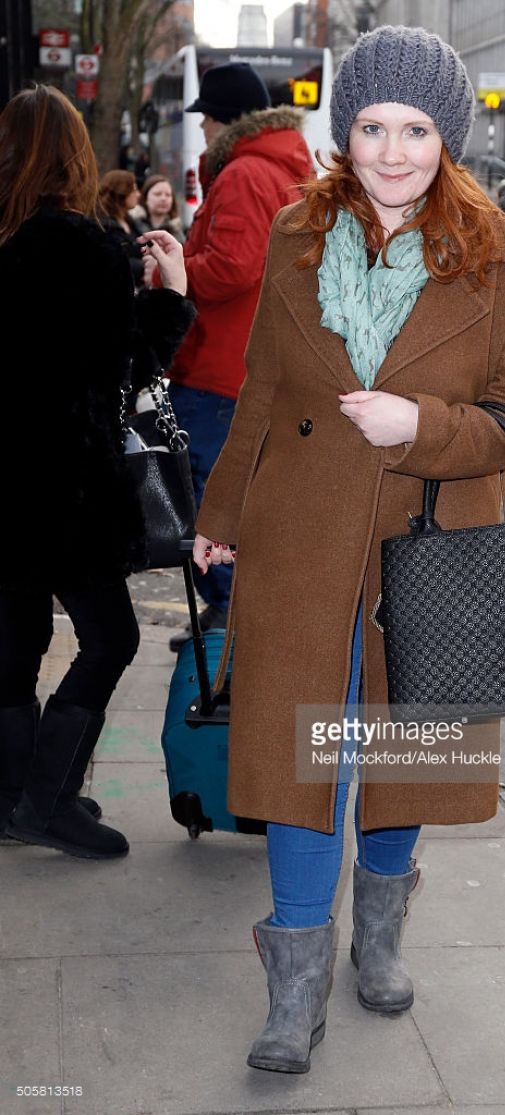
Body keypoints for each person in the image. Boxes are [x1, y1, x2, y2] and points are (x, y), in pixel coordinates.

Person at [192, 25, 505, 1074]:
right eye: (370, 124)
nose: (392, 150)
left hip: (432, 540)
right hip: (302, 533)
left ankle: (381, 935)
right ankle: (293, 990)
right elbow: (259, 386)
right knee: (299, 754)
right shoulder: (298, 235)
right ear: (342, 128)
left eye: (415, 127)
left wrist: (419, 428)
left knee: (405, 753)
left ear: (450, 135)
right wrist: (219, 517)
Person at [0, 85, 196, 860]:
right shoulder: (83, 246)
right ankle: (45, 802)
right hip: (64, 485)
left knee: (14, 645)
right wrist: (171, 295)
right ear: (74, 156)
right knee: (109, 636)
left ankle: (14, 794)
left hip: (7, 485)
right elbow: (130, 364)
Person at [152, 61, 315, 650]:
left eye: (206, 119)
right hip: (252, 360)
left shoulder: (245, 172)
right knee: (237, 495)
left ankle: (228, 628)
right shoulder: (282, 167)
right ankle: (234, 621)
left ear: (225, 122)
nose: (200, 130)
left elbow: (232, 268)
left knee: (212, 493)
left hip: (223, 362)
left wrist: (169, 270)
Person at [99, 169, 145, 287]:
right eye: (134, 189)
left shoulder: (132, 222)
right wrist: (146, 265)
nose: (138, 194)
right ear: (121, 191)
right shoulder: (104, 226)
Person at [130, 173, 185, 243]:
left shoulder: (176, 230)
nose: (163, 198)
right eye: (157, 194)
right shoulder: (133, 225)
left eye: (168, 195)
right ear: (146, 198)